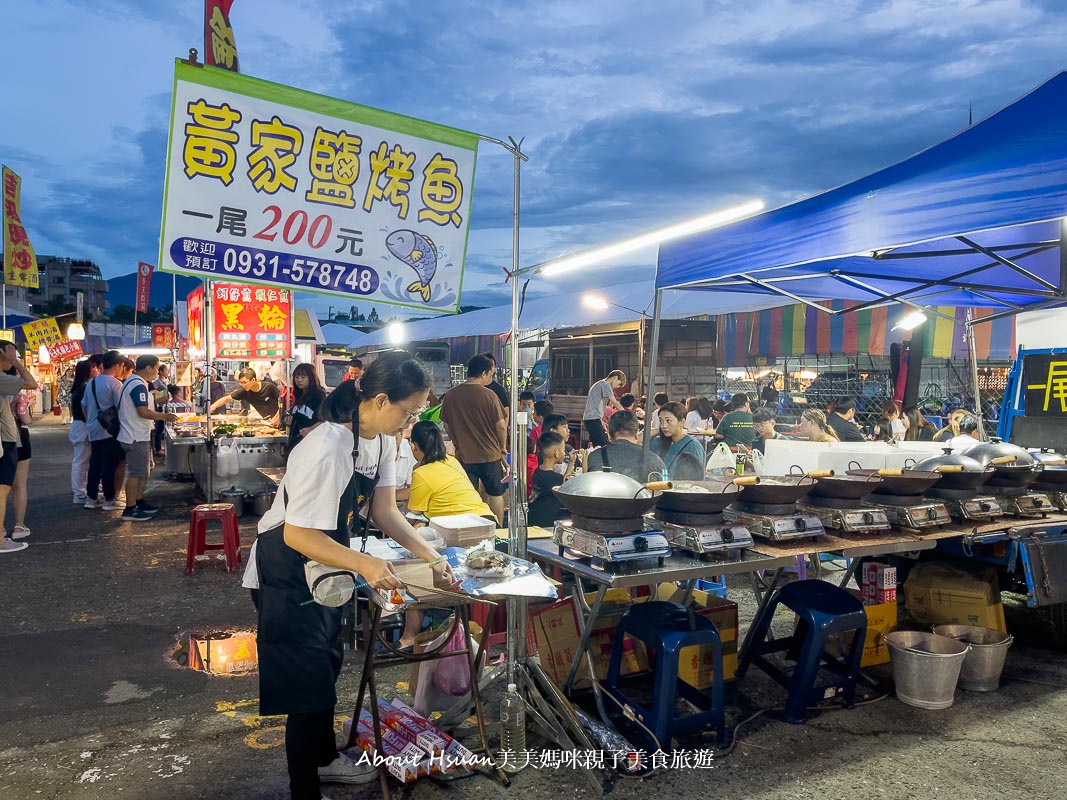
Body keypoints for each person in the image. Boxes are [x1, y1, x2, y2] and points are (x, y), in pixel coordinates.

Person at [247, 356, 457, 799]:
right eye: (410, 410)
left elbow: (385, 511)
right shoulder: (328, 445)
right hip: (287, 566)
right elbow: (297, 532)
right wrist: (365, 565)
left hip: (328, 562)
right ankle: (304, 788)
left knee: (327, 664)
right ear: (381, 400)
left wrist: (430, 556)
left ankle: (324, 759)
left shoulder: (383, 441)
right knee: (305, 685)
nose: (413, 420)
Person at [439, 354, 507, 525]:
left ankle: (472, 527)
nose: (490, 379)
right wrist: (502, 447)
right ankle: (498, 528)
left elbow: (446, 424)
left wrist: (457, 441)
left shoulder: (451, 395)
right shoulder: (489, 395)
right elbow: (501, 425)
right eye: (490, 375)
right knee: (495, 494)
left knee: (469, 495)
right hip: (490, 454)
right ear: (483, 373)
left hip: (465, 455)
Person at [115, 355, 179, 521]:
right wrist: (165, 416)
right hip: (134, 436)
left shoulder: (136, 382)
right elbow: (142, 411)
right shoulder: (137, 385)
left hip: (138, 434)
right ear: (149, 368)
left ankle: (139, 501)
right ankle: (130, 509)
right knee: (136, 473)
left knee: (143, 471)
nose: (157, 372)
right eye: (157, 368)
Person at [407, 421, 495, 520]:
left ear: (414, 446)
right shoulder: (452, 461)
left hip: (461, 526)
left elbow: (414, 514)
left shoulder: (420, 473)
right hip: (487, 518)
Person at [0, 343, 37, 553]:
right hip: (8, 439)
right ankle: (10, 531)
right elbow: (31, 383)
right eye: (11, 354)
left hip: (8, 438)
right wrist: (15, 362)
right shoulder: (4, 379)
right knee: (8, 487)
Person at [83, 350, 127, 511]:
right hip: (109, 430)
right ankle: (109, 499)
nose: (122, 368)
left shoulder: (92, 383)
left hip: (94, 428)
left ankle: (91, 497)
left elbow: (84, 405)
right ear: (116, 365)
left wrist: (91, 421)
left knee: (95, 464)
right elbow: (120, 407)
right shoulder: (115, 384)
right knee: (109, 465)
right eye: (122, 365)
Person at [585, 410, 668, 483]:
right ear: (636, 434)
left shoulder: (594, 457)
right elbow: (666, 486)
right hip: (643, 500)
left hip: (602, 500)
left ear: (609, 435)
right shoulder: (655, 460)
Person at [528, 431, 578, 526]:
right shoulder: (555, 478)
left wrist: (571, 462)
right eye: (563, 450)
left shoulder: (538, 472)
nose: (564, 453)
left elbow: (563, 481)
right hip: (544, 523)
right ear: (557, 453)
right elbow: (566, 485)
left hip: (532, 517)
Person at [651, 401, 705, 480]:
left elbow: (696, 479)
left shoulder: (693, 445)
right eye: (661, 421)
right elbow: (636, 440)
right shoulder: (658, 441)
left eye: (668, 420)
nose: (664, 425)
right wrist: (659, 430)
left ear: (682, 422)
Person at [69, 359, 98, 505]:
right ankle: (79, 493)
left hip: (79, 425)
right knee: (81, 461)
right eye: (93, 367)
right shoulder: (84, 388)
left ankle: (80, 491)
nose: (96, 369)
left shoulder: (79, 387)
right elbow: (85, 410)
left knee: (82, 460)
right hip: (82, 426)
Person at [210, 367, 282, 424]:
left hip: (280, 419)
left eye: (245, 382)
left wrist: (279, 415)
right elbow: (227, 398)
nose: (243, 385)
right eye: (241, 383)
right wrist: (213, 406)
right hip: (268, 422)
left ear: (253, 380)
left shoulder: (268, 387)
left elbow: (282, 401)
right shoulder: (244, 391)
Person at [9, 381, 34, 540]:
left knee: (2, 487)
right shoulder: (19, 395)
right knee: (19, 485)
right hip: (18, 439)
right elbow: (26, 419)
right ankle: (19, 526)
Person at [286, 363, 326, 458]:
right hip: (295, 443)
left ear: (311, 378)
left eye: (303, 377)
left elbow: (325, 421)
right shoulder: (299, 395)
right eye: (296, 377)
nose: (299, 380)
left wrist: (311, 429)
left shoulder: (318, 396)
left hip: (309, 446)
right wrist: (288, 420)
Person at [582, 370, 626, 448]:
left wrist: (600, 420)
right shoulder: (605, 385)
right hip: (593, 419)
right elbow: (615, 402)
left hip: (592, 418)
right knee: (602, 446)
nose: (617, 387)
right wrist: (627, 414)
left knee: (598, 446)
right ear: (615, 378)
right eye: (619, 384)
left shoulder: (600, 384)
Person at [150, 363, 170, 457]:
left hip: (163, 407)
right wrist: (164, 397)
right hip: (159, 408)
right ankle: (157, 449)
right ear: (161, 372)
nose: (167, 372)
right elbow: (155, 397)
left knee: (161, 428)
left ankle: (158, 448)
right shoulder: (156, 383)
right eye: (165, 370)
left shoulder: (164, 381)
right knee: (158, 429)